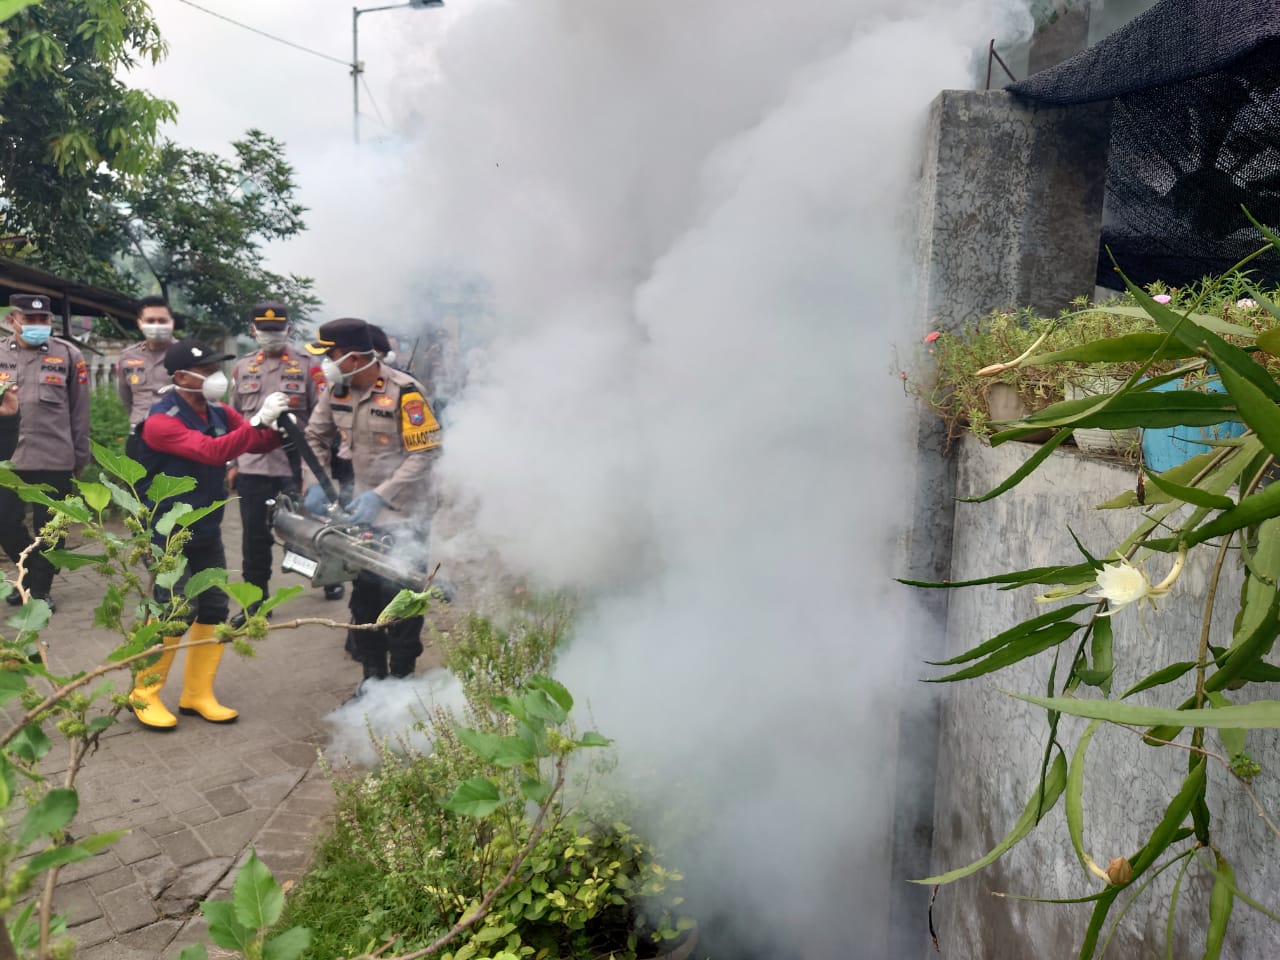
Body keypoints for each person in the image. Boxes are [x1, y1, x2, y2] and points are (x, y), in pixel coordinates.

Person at [128, 338, 290, 730]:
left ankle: (197, 694)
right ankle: (144, 693)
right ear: (181, 376)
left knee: (214, 608)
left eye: (217, 368)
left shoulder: (217, 410)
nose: (216, 376)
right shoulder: (161, 422)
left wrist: (272, 421)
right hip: (167, 531)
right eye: (207, 370)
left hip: (206, 526)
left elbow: (257, 441)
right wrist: (254, 423)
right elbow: (214, 452)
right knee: (172, 610)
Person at [302, 317, 442, 688]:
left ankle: (402, 686)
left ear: (352, 357)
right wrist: (315, 481)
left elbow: (425, 453)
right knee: (363, 600)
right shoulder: (337, 390)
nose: (323, 364)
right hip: (359, 515)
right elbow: (314, 436)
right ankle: (372, 684)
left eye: (328, 355)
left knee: (403, 600)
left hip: (405, 514)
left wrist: (381, 495)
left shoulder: (405, 392)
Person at [227, 302, 329, 616]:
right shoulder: (242, 367)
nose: (270, 336)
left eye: (276, 330)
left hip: (296, 467)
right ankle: (255, 602)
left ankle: (329, 577)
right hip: (253, 467)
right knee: (254, 539)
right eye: (264, 330)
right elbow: (233, 419)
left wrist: (318, 472)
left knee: (307, 532)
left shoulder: (309, 365)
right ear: (252, 330)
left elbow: (321, 423)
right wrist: (232, 464)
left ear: (288, 329)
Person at [0, 294, 91, 613]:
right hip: (8, 460)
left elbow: (80, 412)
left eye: (44, 320)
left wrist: (81, 457)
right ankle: (30, 577)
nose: (39, 325)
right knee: (5, 523)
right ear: (13, 319)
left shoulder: (68, 354)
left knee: (51, 528)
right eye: (30, 319)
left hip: (55, 456)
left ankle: (40, 590)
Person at [117, 295, 177, 459]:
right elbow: (126, 397)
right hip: (139, 437)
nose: (156, 325)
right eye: (150, 321)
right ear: (140, 323)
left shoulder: (185, 354)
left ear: (171, 323)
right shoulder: (127, 357)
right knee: (137, 484)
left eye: (162, 320)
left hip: (177, 437)